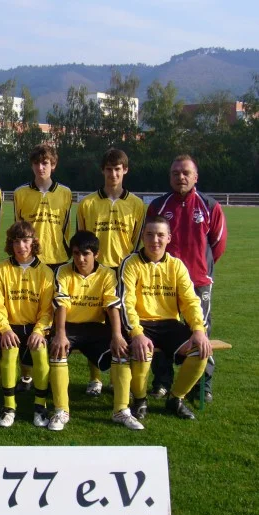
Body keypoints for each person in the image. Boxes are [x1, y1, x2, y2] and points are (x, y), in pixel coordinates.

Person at [146, 155, 227, 402]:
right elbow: (151, 240)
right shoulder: (158, 206)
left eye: (185, 173)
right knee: (160, 328)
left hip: (198, 282)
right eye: (175, 173)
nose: (180, 177)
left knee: (201, 331)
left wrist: (199, 268)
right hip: (164, 282)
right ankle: (162, 382)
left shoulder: (210, 206)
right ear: (169, 177)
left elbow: (218, 244)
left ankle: (202, 384)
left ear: (195, 177)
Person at [117, 216, 212, 422]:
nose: (155, 240)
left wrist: (198, 330)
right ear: (143, 237)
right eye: (150, 234)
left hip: (169, 324)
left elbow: (190, 301)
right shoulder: (131, 263)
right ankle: (140, 399)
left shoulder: (177, 265)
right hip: (141, 323)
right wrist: (136, 333)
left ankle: (176, 398)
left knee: (200, 351)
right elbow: (126, 302)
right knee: (142, 351)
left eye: (160, 235)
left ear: (169, 237)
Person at [75, 148, 144, 396]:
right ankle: (95, 378)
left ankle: (117, 376)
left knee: (122, 326)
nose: (113, 174)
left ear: (125, 170)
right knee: (94, 323)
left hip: (123, 273)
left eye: (117, 169)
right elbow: (82, 240)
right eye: (109, 169)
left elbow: (136, 241)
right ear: (102, 171)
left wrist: (126, 266)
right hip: (96, 272)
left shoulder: (136, 204)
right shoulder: (87, 203)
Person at [49, 230, 127, 431]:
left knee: (122, 350)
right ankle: (61, 410)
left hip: (94, 327)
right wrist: (60, 334)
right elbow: (61, 304)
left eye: (86, 254)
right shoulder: (63, 271)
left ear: (96, 254)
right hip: (69, 326)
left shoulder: (108, 274)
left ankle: (121, 410)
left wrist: (117, 335)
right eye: (76, 253)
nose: (81, 259)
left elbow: (112, 305)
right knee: (58, 350)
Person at [13, 144, 71, 392]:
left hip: (56, 261)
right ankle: (27, 376)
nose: (41, 167)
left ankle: (50, 372)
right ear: (32, 166)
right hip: (30, 262)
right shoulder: (20, 192)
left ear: (53, 165)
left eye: (45, 163)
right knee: (28, 316)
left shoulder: (65, 193)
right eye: (37, 163)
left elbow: (66, 229)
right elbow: (18, 231)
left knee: (54, 321)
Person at [0, 221, 54, 428]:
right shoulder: (1, 269)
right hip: (10, 326)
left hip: (35, 327)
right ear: (11, 244)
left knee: (41, 355)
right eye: (16, 241)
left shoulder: (45, 272)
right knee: (9, 355)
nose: (21, 246)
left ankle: (40, 406)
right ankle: (9, 407)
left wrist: (39, 331)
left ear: (33, 242)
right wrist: (5, 329)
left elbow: (47, 311)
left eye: (26, 241)